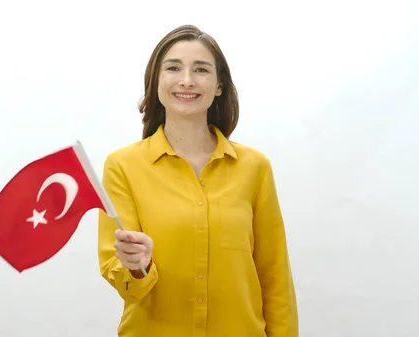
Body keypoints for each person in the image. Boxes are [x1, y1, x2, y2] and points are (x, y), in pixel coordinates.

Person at [98, 24, 298, 337]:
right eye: (173, 68)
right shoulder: (122, 166)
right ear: (157, 81)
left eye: (201, 69)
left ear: (219, 85)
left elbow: (274, 276)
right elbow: (125, 283)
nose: (187, 80)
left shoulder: (255, 168)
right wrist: (138, 265)